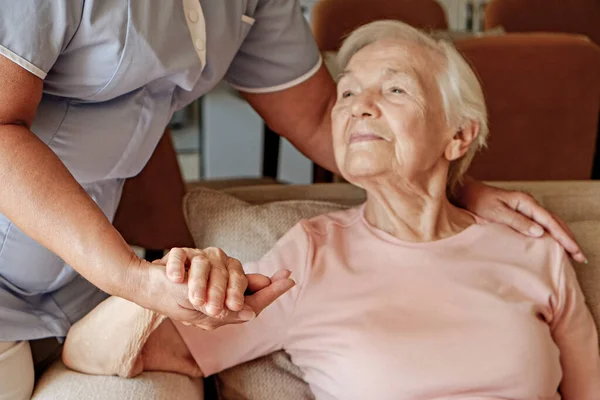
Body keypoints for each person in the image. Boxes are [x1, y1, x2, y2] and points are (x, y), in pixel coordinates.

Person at [0, 1, 586, 398]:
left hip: (66, 280)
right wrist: (140, 280)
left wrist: (461, 182)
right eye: (349, 90)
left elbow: (310, 112)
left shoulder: (533, 253)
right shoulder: (310, 260)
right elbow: (107, 351)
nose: (356, 105)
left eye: (396, 89)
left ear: (460, 134)